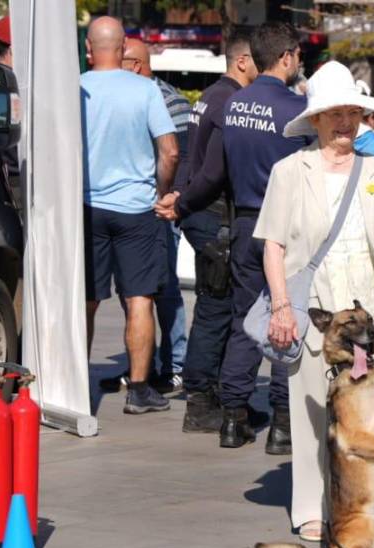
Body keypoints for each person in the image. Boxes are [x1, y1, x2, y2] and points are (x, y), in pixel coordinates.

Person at [256, 62, 374, 540]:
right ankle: (311, 507)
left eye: (353, 113)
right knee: (311, 412)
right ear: (316, 120)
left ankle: (366, 504)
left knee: (370, 412)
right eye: (335, 113)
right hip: (316, 312)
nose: (345, 122)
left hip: (368, 316)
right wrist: (281, 306)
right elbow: (274, 246)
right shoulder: (289, 171)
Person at [155, 21, 312, 452]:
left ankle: (232, 416)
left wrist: (180, 202)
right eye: (297, 54)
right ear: (284, 57)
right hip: (287, 229)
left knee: (246, 322)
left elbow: (212, 173)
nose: (300, 61)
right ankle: (282, 424)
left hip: (243, 224)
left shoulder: (235, 105)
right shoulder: (297, 110)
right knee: (287, 321)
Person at [79, 17, 178, 415]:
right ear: (123, 50)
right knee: (140, 298)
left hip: (87, 207)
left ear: (89, 48)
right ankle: (138, 390)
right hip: (137, 209)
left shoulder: (76, 88)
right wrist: (161, 191)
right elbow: (170, 150)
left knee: (86, 301)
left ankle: (75, 383)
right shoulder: (145, 89)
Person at [159, 27, 256, 434]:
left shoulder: (213, 98)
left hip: (203, 213)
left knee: (215, 306)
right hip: (214, 217)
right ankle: (202, 401)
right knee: (217, 309)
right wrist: (182, 201)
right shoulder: (230, 101)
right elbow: (215, 171)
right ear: (241, 61)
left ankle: (209, 394)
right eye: (259, 59)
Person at [109, 37, 190, 396]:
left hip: (157, 212)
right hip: (129, 209)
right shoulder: (126, 96)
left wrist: (165, 198)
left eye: (118, 62)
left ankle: (174, 366)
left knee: (165, 291)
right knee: (134, 293)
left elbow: (177, 156)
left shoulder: (168, 100)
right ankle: (140, 366)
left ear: (136, 65)